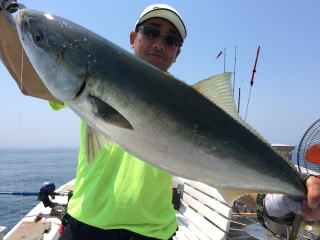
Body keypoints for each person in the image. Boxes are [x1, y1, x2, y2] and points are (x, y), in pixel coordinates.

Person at [1, 2, 320, 240]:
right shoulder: (81, 90)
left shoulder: (197, 108)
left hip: (153, 233)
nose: (159, 42)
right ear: (132, 37)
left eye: (171, 40)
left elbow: (232, 168)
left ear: (178, 53)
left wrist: (297, 187)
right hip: (86, 224)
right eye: (151, 32)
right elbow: (29, 79)